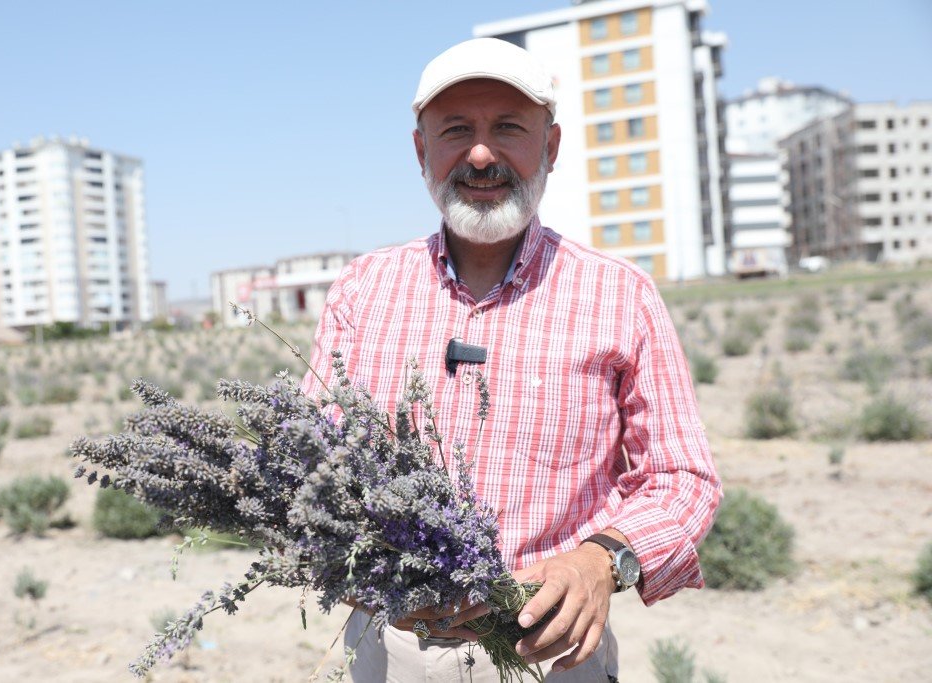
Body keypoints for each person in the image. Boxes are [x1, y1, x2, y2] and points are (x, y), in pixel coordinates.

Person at [302, 37, 721, 682]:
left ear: (550, 147)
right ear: (422, 151)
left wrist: (600, 562)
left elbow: (681, 477)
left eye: (508, 127)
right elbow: (311, 461)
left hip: (550, 660)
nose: (479, 152)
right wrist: (345, 554)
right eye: (456, 130)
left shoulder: (619, 295)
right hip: (388, 654)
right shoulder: (364, 289)